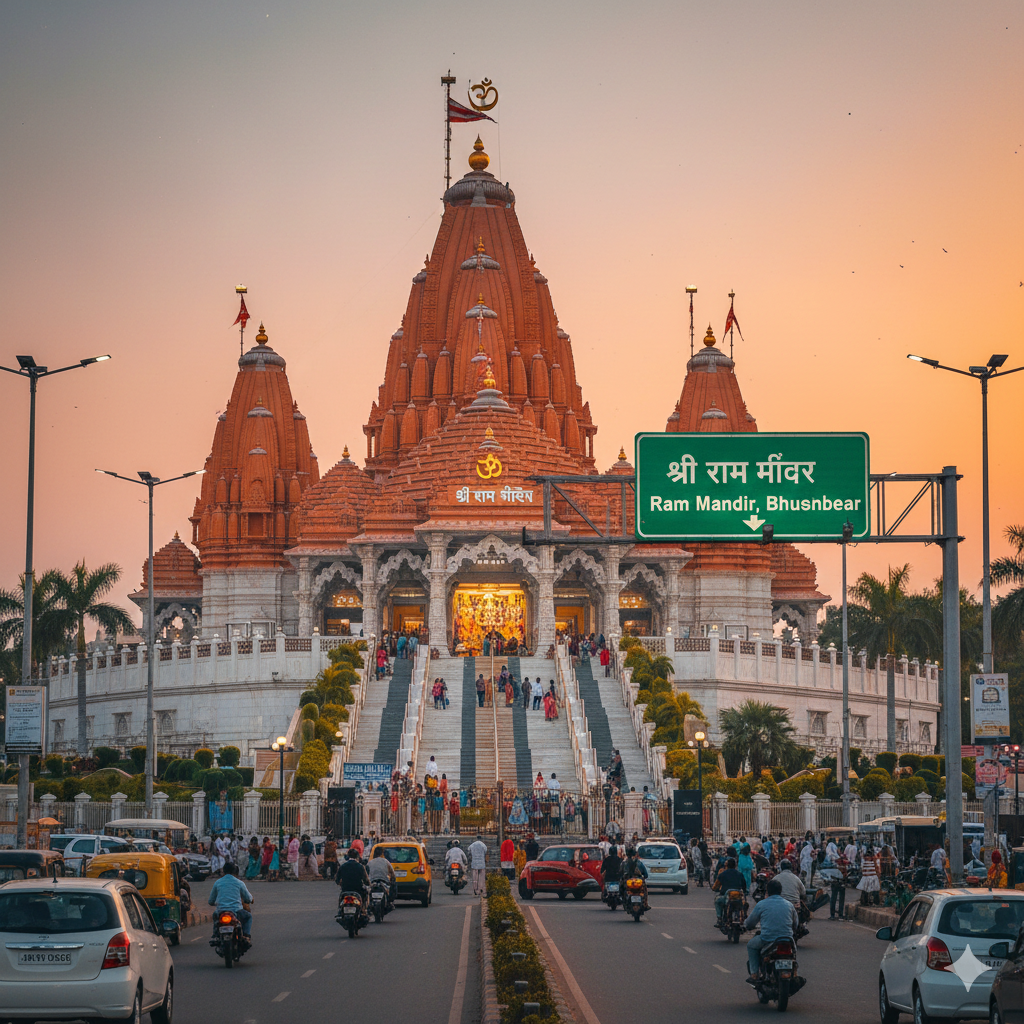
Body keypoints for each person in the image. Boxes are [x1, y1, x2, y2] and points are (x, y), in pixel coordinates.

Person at [744, 878, 799, 982]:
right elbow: (795, 924)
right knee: (793, 954)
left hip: (767, 939)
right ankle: (795, 972)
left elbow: (750, 923)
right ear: (780, 891)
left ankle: (754, 974)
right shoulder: (789, 905)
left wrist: (746, 926)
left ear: (767, 891)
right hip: (787, 939)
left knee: (751, 945)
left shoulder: (761, 904)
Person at [208, 862, 254, 940]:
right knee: (248, 917)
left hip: (220, 911)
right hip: (237, 911)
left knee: (215, 917)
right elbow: (248, 899)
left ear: (223, 871)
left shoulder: (218, 882)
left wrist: (216, 903)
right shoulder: (239, 883)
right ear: (235, 871)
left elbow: (210, 901)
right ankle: (246, 935)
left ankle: (215, 935)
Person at [712, 856, 748, 924]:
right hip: (738, 897)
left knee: (717, 901)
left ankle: (719, 919)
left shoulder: (722, 874)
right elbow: (744, 887)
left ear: (726, 865)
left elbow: (715, 887)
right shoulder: (740, 874)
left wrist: (715, 889)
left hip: (726, 897)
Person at [620, 845, 650, 909]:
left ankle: (623, 900)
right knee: (644, 890)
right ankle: (645, 903)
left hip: (628, 881)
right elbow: (646, 875)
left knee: (621, 887)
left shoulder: (624, 863)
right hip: (638, 881)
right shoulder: (639, 863)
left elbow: (620, 873)